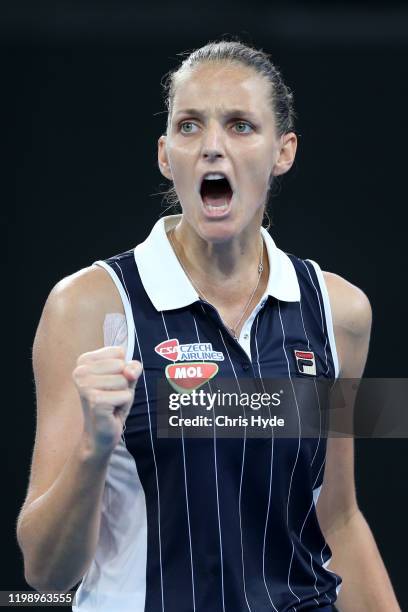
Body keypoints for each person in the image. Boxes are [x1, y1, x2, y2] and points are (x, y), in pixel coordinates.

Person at [16, 40, 400, 612]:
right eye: (190, 126)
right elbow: (45, 573)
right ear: (166, 154)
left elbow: (337, 517)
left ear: (283, 151)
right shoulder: (87, 307)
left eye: (241, 126)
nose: (212, 147)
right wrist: (93, 450)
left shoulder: (339, 312)